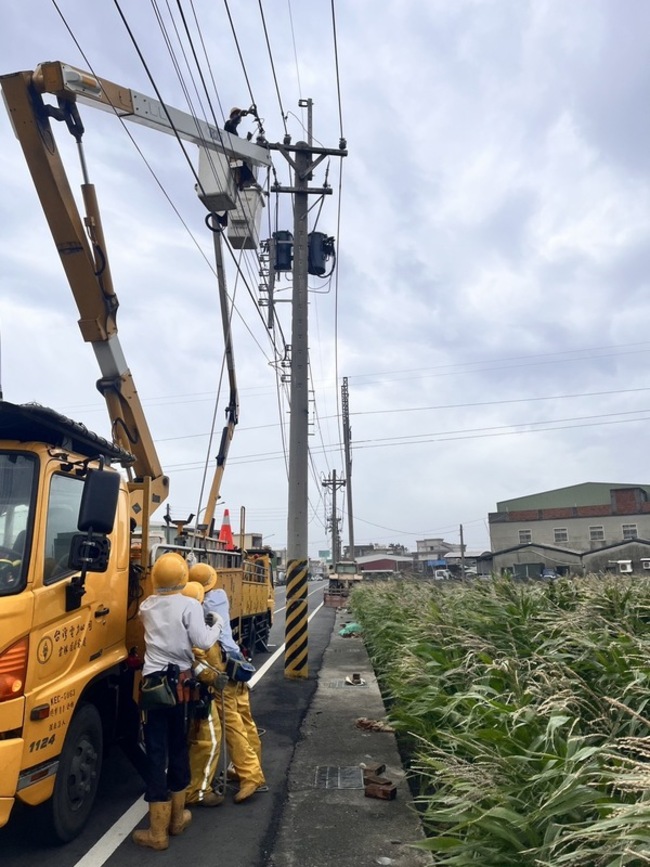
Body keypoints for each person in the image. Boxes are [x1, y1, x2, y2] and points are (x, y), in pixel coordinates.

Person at [132, 552, 224, 851]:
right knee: (179, 747)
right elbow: (203, 641)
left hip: (153, 686)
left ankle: (156, 832)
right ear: (184, 578)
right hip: (181, 686)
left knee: (156, 752)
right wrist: (217, 624)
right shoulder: (189, 605)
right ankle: (177, 820)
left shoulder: (147, 605)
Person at [189, 562, 266, 803]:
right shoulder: (220, 596)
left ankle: (250, 775)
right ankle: (244, 769)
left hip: (221, 664)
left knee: (231, 723)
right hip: (236, 660)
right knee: (245, 719)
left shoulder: (201, 606)